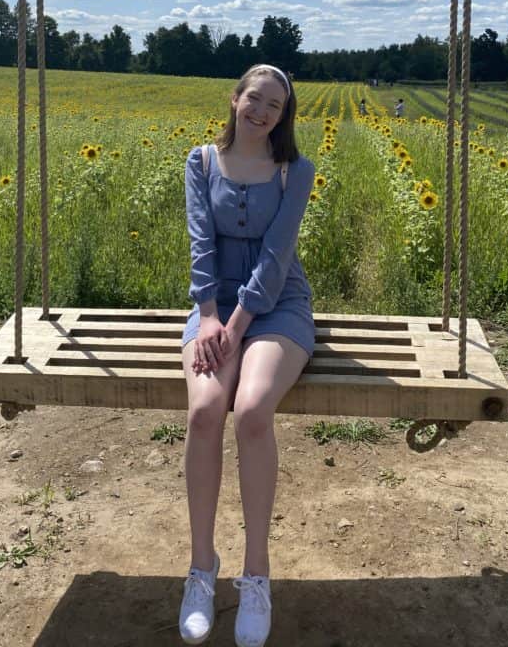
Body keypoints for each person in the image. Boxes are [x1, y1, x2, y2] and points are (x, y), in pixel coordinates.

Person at [179, 63, 315, 647]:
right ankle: (201, 570)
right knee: (206, 409)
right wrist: (209, 316)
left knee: (254, 408)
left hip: (278, 305)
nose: (261, 112)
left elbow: (277, 257)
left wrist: (236, 326)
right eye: (254, 99)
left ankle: (256, 574)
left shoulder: (295, 171)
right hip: (213, 306)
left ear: (283, 117)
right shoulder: (201, 161)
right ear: (235, 100)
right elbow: (200, 242)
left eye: (274, 106)